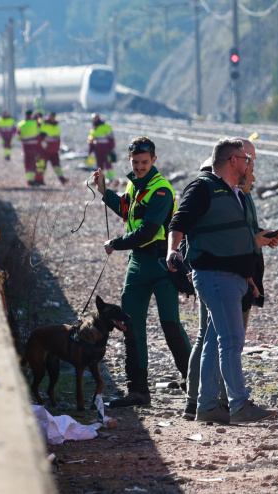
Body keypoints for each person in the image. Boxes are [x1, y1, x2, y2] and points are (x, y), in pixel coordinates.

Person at [167, 138, 278, 424]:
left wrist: (251, 277)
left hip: (232, 278)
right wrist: (172, 251)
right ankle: (239, 406)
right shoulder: (203, 186)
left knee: (216, 340)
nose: (249, 164)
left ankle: (206, 407)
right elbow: (179, 221)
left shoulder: (233, 193)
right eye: (246, 159)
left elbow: (236, 238)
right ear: (233, 161)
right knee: (231, 341)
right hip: (217, 277)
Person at [93, 136, 191, 408]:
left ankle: (195, 385)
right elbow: (126, 209)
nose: (139, 167)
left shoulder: (161, 190)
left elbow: (148, 231)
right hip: (138, 263)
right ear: (130, 160)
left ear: (154, 161)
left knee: (171, 326)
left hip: (161, 263)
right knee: (131, 326)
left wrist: (116, 244)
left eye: (144, 163)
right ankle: (137, 391)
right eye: (135, 162)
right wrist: (103, 190)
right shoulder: (134, 185)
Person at [38, 112, 68, 185]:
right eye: (51, 116)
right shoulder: (43, 122)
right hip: (45, 149)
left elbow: (57, 136)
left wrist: (58, 146)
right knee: (42, 165)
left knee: (57, 165)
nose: (53, 118)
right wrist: (42, 143)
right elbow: (38, 133)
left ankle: (62, 179)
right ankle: (40, 180)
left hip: (54, 149)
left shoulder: (56, 124)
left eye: (53, 117)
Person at [17, 109, 44, 186]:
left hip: (25, 146)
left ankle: (29, 180)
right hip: (34, 146)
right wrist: (37, 117)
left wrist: (23, 140)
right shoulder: (34, 123)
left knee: (27, 163)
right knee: (33, 162)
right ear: (31, 115)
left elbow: (18, 136)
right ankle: (33, 180)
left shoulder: (20, 124)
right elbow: (40, 126)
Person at [88, 114, 116, 182]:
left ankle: (111, 179)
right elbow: (91, 140)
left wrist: (112, 147)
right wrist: (90, 150)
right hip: (97, 149)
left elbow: (111, 137)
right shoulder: (93, 128)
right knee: (99, 164)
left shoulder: (105, 126)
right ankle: (102, 179)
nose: (94, 120)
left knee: (108, 163)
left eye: (95, 118)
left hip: (106, 149)